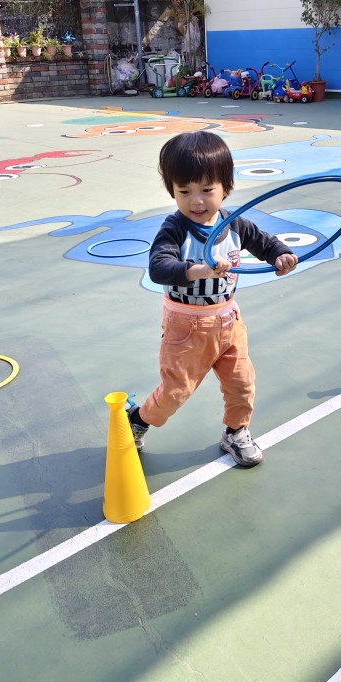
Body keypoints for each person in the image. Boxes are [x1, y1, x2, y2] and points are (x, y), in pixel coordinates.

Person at [126, 130, 298, 467]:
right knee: (175, 391)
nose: (196, 201)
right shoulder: (174, 228)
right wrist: (198, 270)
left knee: (242, 382)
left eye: (206, 190)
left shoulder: (236, 225)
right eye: (184, 191)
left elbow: (266, 243)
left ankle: (236, 431)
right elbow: (159, 267)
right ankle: (139, 418)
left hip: (229, 321)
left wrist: (281, 255)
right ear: (172, 190)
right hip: (186, 327)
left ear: (226, 187)